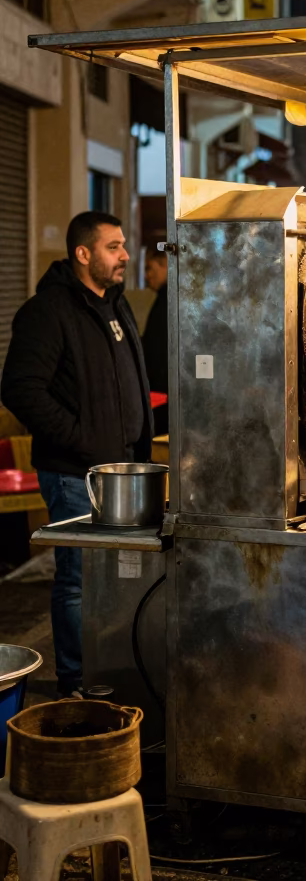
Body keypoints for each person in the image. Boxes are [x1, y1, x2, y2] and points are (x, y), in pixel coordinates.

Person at [1, 212, 152, 698]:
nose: (125, 255)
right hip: (75, 474)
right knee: (77, 581)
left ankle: (112, 674)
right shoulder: (48, 311)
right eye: (113, 247)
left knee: (117, 581)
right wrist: (80, 437)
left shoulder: (114, 305)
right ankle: (74, 683)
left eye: (123, 245)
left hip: (122, 472)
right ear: (83, 254)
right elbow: (21, 389)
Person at [141, 245, 169, 437]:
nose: (147, 275)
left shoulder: (168, 300)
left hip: (163, 395)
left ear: (166, 265)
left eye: (151, 268)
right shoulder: (163, 298)